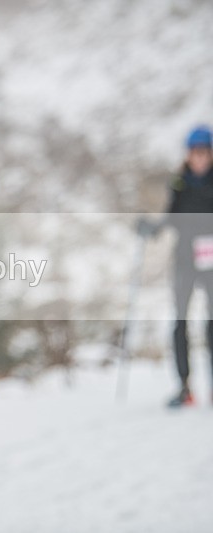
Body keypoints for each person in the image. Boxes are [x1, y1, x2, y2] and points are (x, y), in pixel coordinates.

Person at [138, 125, 213, 408]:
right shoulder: (180, 182)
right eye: (195, 151)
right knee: (180, 321)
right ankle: (184, 388)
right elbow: (171, 217)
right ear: (188, 153)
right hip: (185, 258)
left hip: (212, 260)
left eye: (204, 151)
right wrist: (151, 229)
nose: (200, 157)